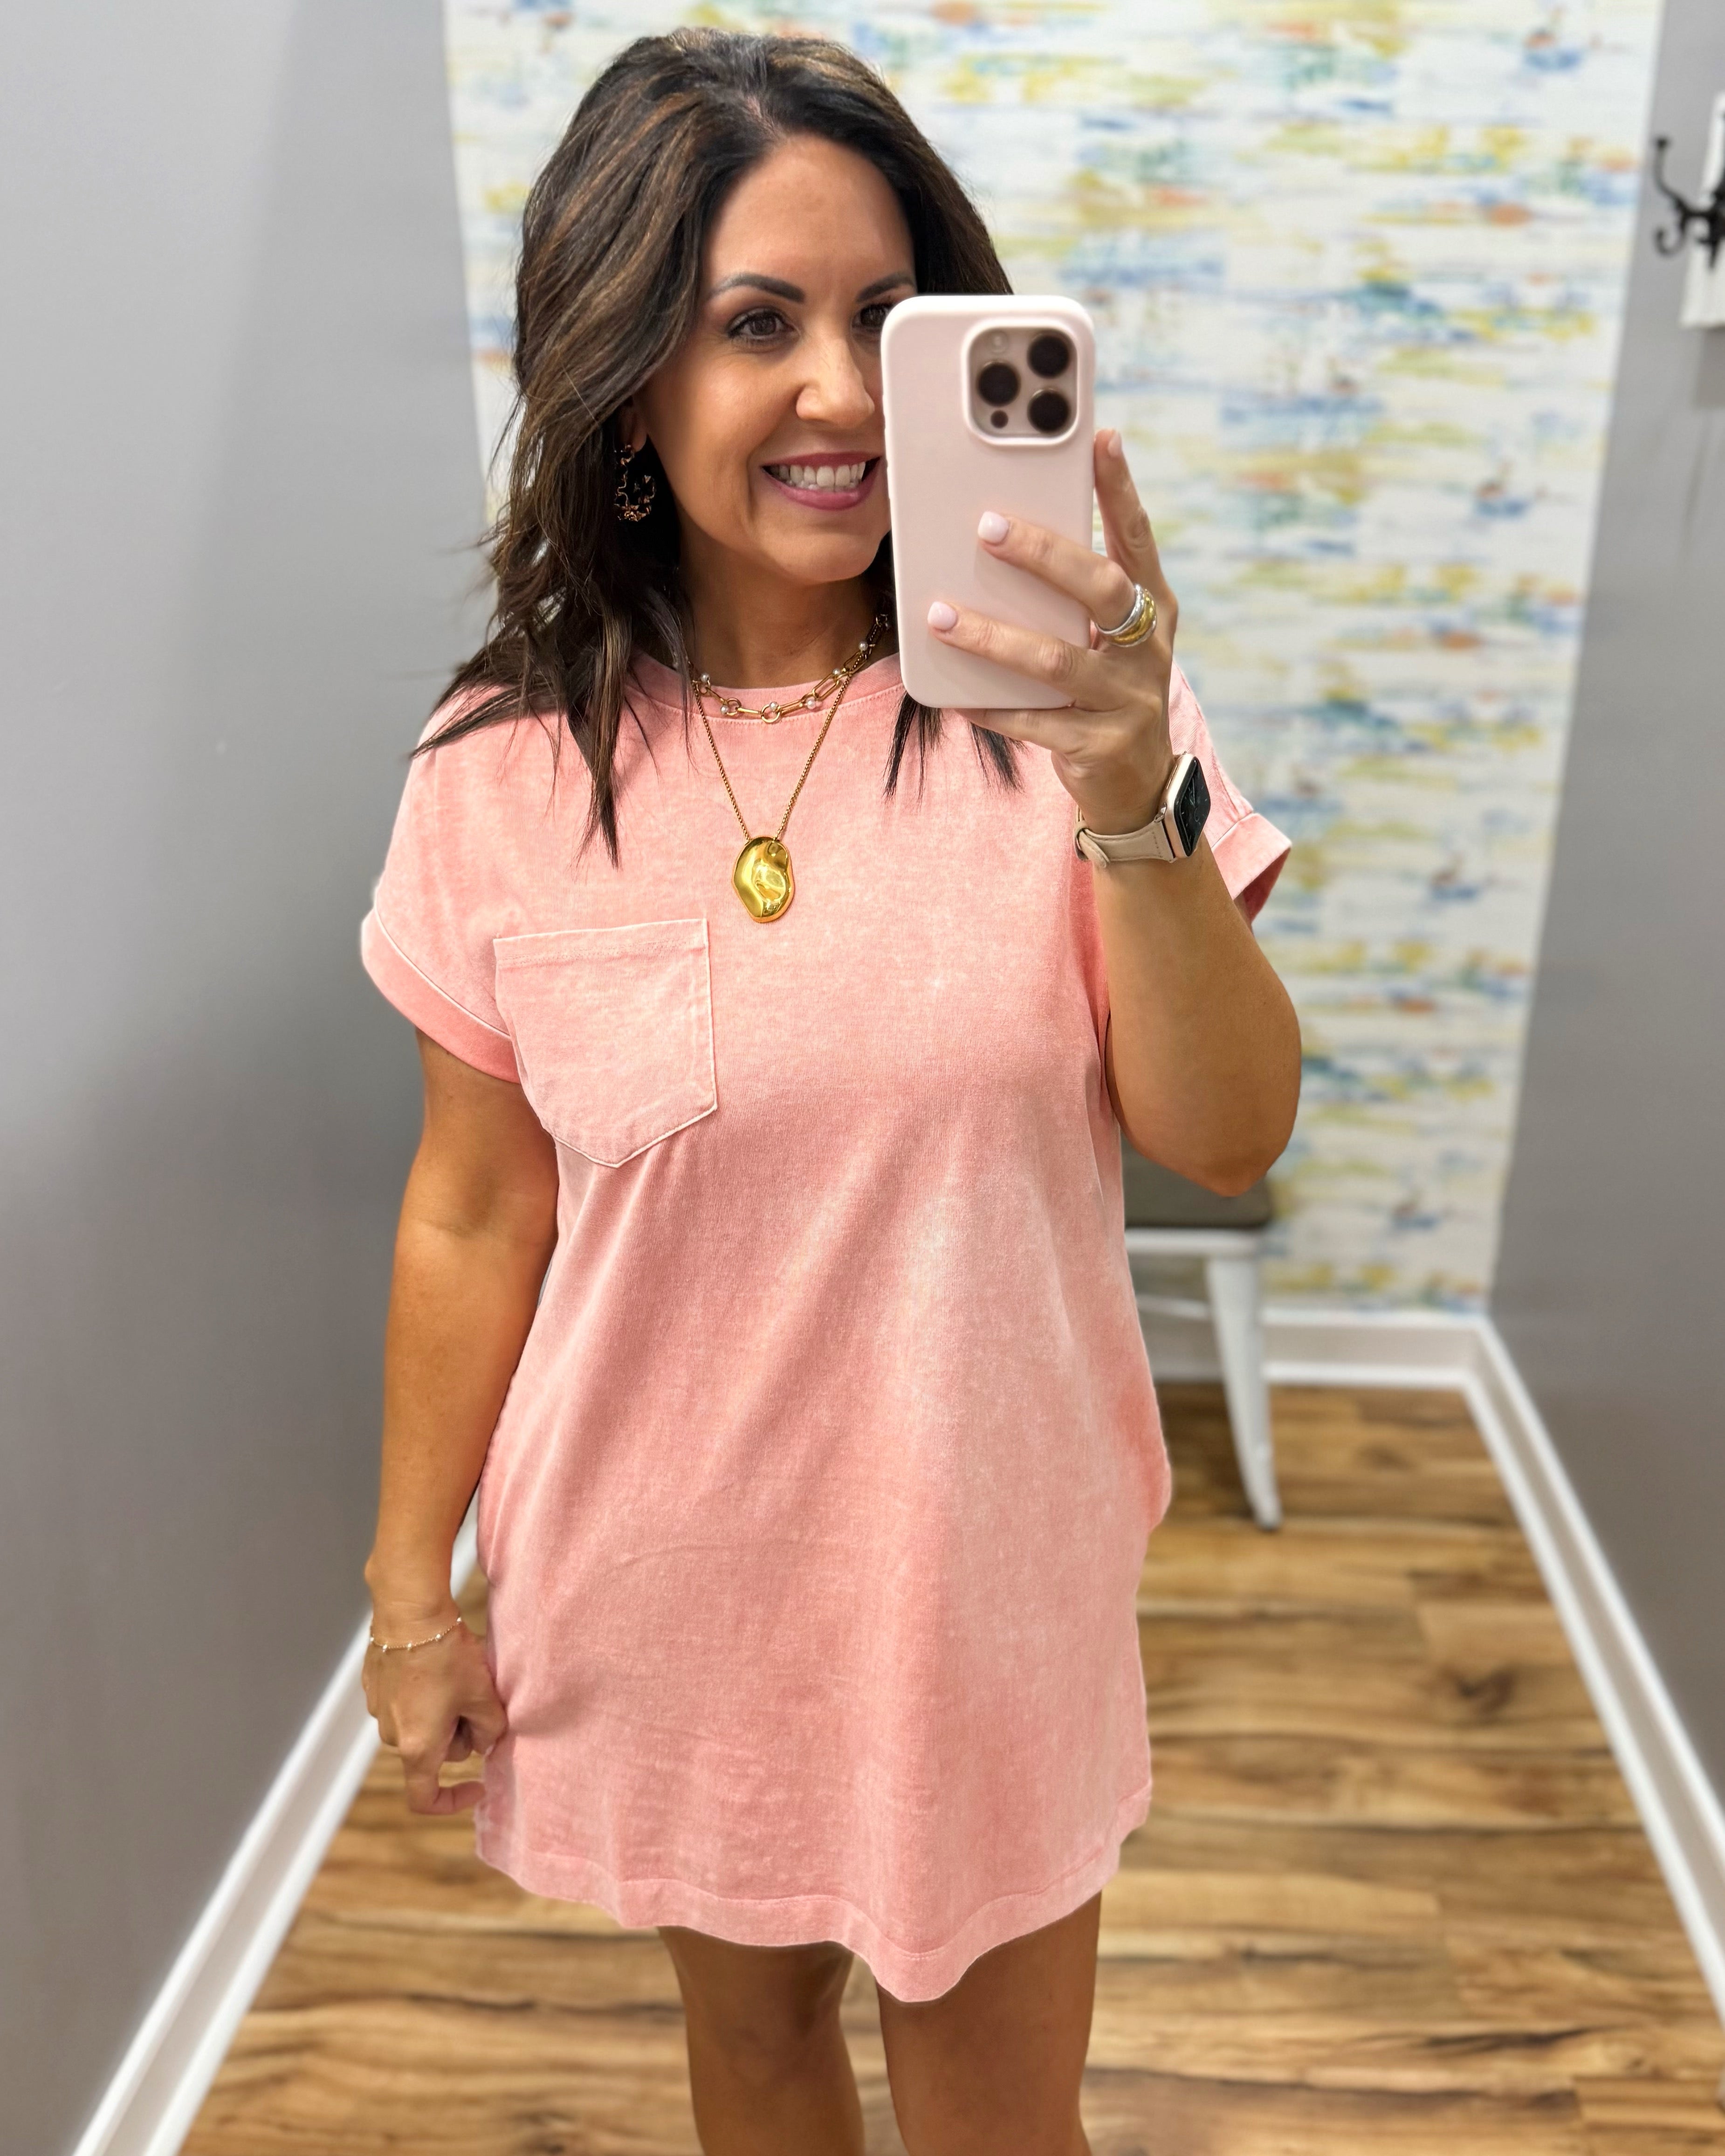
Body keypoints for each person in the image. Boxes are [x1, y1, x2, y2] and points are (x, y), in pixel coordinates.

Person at [357, 27, 1299, 2156]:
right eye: (751, 325)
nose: (846, 395)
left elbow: (1227, 1130)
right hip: (666, 1576)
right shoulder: (498, 764)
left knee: (992, 2118)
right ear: (618, 376)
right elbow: (472, 1208)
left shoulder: (1063, 691)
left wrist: (1120, 791)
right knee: (756, 2057)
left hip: (981, 1580)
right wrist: (414, 1590)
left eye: (889, 316)